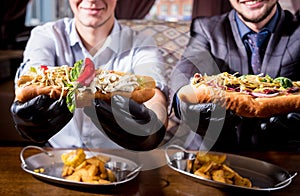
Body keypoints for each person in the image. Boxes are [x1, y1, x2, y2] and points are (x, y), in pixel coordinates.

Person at [10, 0, 169, 151]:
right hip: (56, 157)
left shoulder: (142, 43)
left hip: (120, 162)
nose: (92, 0)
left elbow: (155, 94)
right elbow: (30, 77)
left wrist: (154, 129)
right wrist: (26, 114)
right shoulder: (46, 35)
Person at [170, 0, 300, 152]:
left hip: (284, 154)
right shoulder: (206, 28)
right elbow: (188, 67)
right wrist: (183, 103)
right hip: (212, 152)